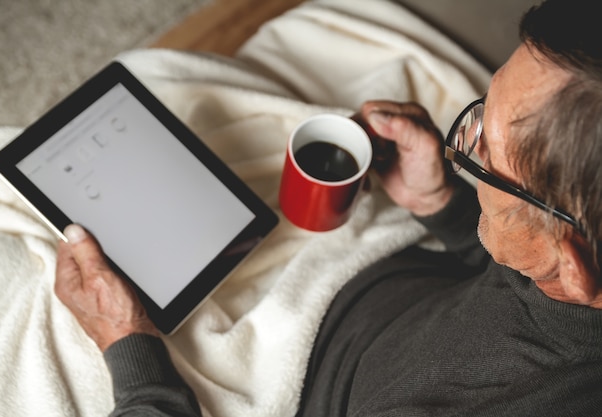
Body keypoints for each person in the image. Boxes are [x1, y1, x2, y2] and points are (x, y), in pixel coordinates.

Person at [54, 0, 602, 415]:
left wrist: (128, 347)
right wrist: (442, 202)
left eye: (486, 156)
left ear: (573, 265)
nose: (463, 147)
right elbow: (518, 279)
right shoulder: (571, 268)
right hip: (385, 283)